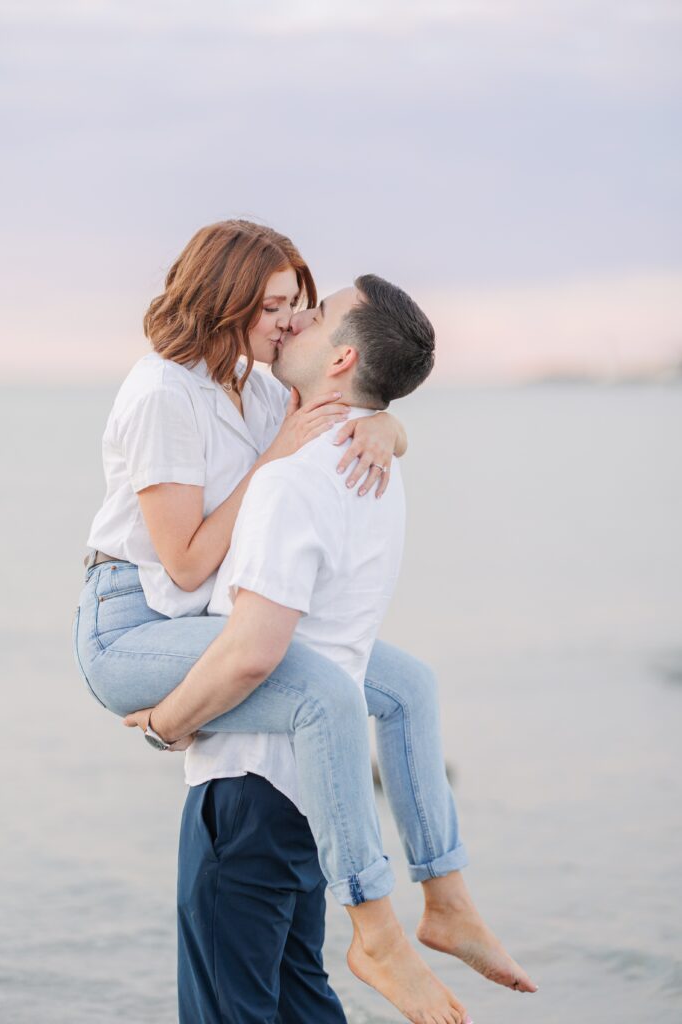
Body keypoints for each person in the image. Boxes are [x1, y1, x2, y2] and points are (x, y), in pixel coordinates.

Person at [73, 222, 534, 1021]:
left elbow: (358, 386)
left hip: (205, 618)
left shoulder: (256, 386)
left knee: (406, 685)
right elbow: (183, 562)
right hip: (134, 625)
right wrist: (275, 455)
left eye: (300, 306)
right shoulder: (161, 393)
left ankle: (447, 896)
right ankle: (375, 924)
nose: (291, 321)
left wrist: (384, 427)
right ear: (224, 301)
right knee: (322, 684)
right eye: (276, 306)